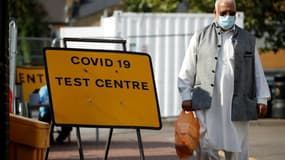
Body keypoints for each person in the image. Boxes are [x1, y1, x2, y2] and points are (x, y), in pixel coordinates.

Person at [177, 0, 271, 159]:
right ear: (215, 13)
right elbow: (187, 68)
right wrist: (186, 95)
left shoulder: (247, 39)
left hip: (238, 103)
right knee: (207, 145)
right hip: (208, 103)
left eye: (232, 13)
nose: (228, 16)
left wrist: (262, 98)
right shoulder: (200, 36)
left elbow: (257, 71)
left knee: (238, 145)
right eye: (224, 13)